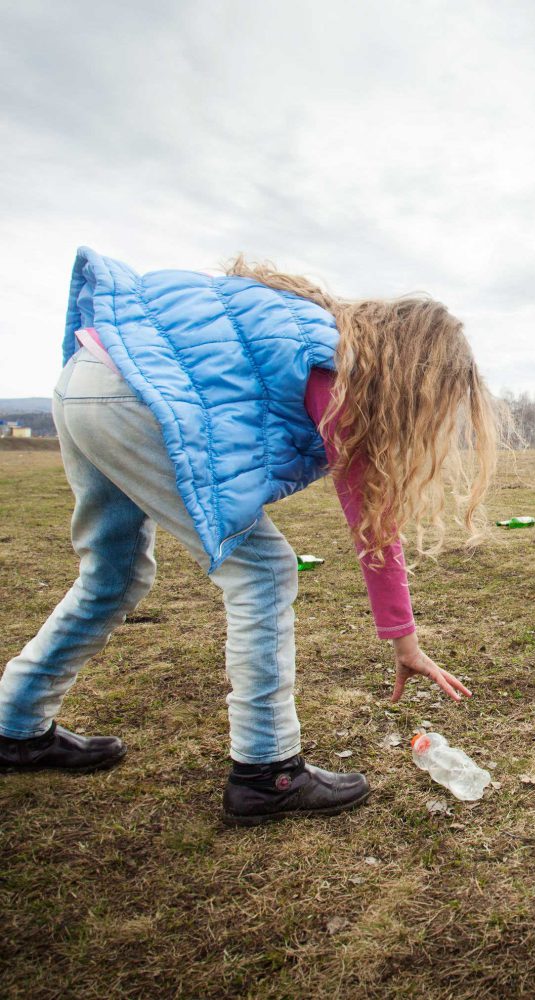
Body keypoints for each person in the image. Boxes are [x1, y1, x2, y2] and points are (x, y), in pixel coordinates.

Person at [0, 248, 503, 826]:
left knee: (112, 574)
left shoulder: (304, 326)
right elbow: (374, 523)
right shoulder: (336, 368)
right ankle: (268, 772)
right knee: (262, 569)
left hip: (88, 377)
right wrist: (405, 643)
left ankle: (16, 725)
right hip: (134, 394)